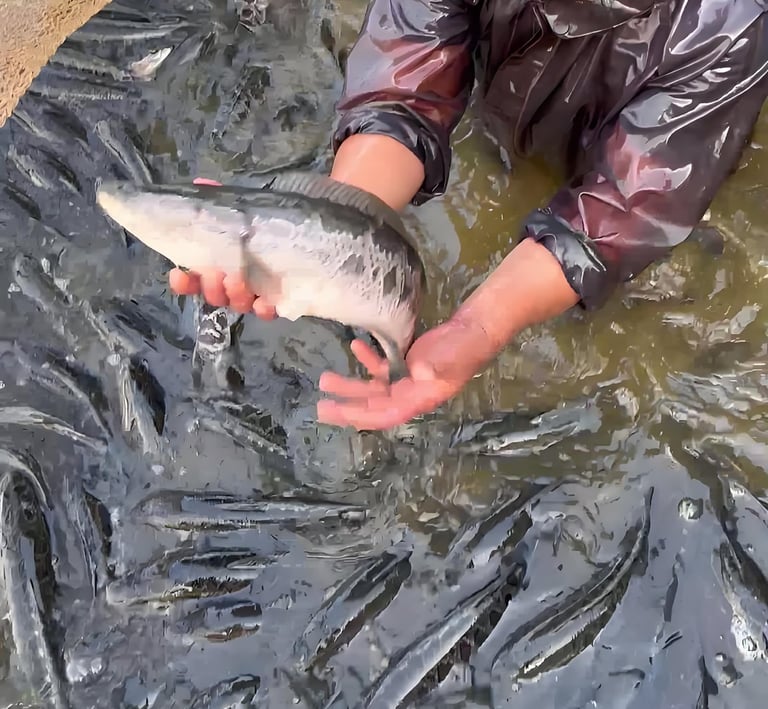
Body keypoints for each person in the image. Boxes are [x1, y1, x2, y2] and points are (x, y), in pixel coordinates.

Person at [170, 0, 768, 431]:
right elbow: (406, 83)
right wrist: (323, 229)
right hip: (507, 99)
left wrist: (479, 328)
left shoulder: (729, 25)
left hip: (670, 133)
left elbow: (620, 209)